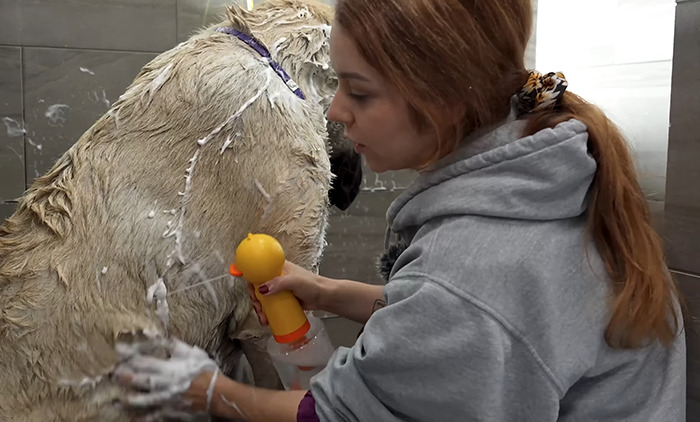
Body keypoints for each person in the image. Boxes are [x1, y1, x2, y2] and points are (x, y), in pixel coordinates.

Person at [114, 0, 687, 420]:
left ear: (443, 98)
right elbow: (502, 325)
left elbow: (340, 416)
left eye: (359, 91)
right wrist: (334, 293)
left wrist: (211, 392)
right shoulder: (554, 177)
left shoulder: (473, 272)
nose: (337, 110)